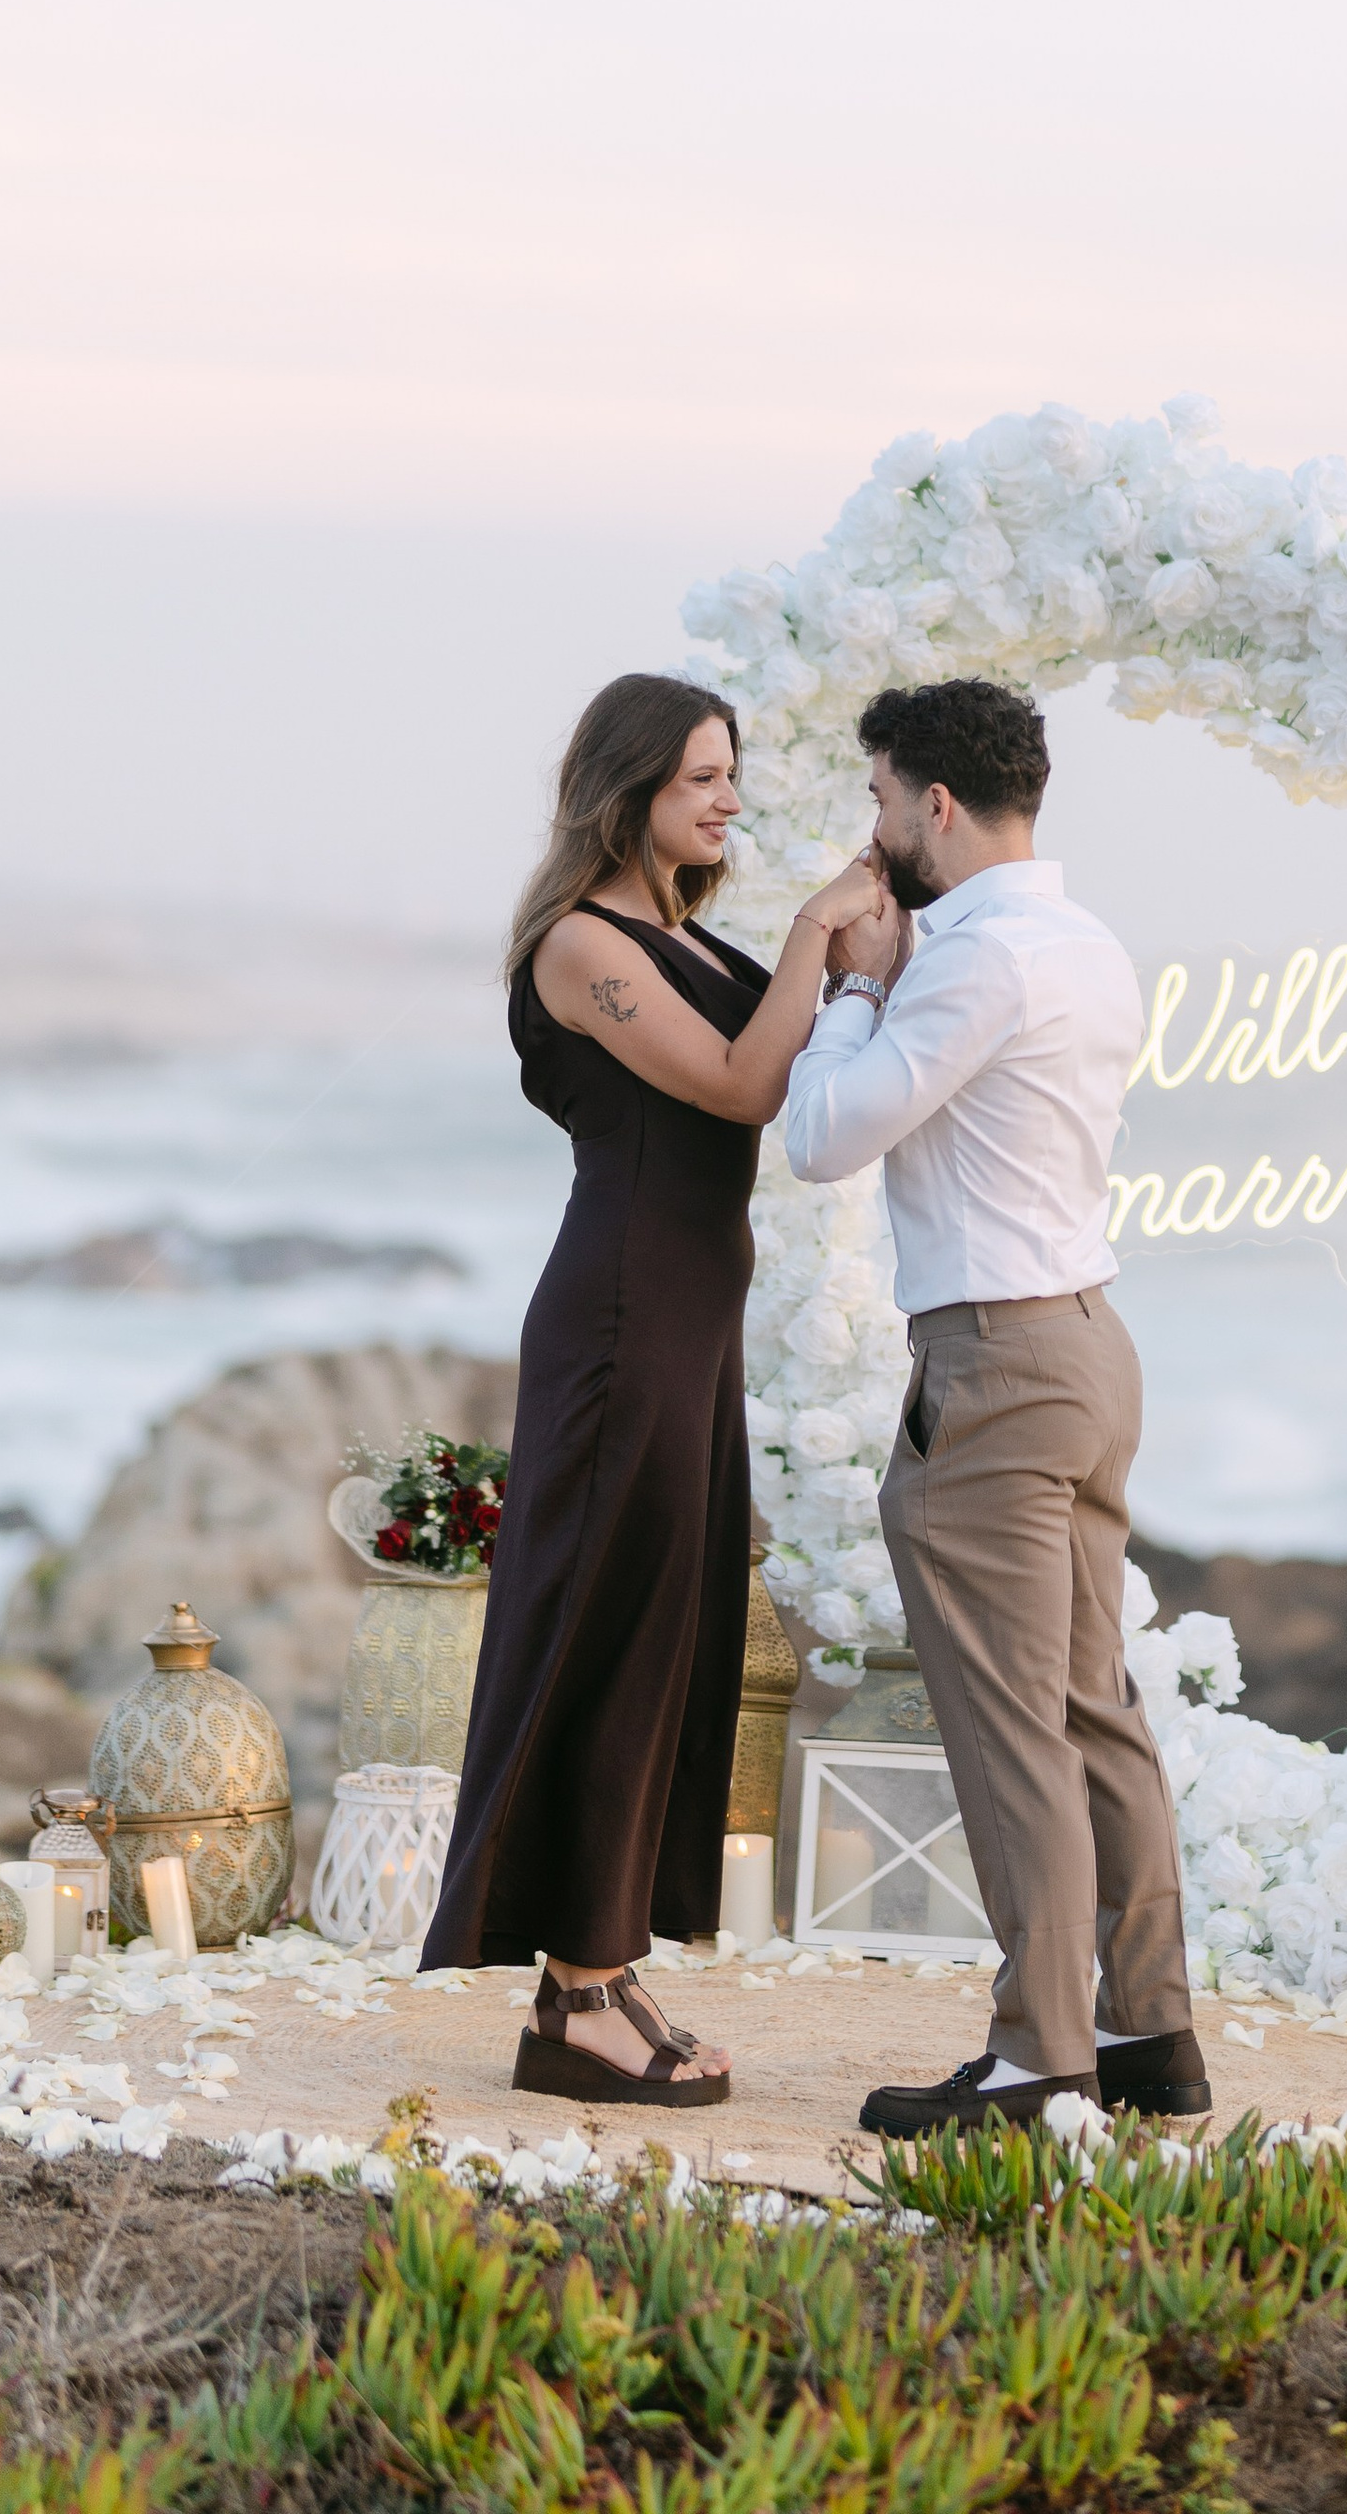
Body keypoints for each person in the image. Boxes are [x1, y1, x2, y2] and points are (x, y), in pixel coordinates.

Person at [421, 671, 888, 2104]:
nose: (729, 798)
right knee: (607, 1629)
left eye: (731, 774)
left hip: (689, 1324)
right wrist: (819, 924)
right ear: (627, 788)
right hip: (624, 1320)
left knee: (664, 1633)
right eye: (702, 777)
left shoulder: (682, 937)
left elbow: (814, 1042)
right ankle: (575, 2002)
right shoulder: (579, 949)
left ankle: (603, 1971)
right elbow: (750, 1085)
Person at [783, 674, 1209, 2135]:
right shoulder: (1083, 944)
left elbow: (825, 1137)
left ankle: (1039, 2061)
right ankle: (1151, 2035)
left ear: (937, 806)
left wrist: (849, 984)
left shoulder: (974, 961)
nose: (878, 826)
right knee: (1096, 1708)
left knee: (1013, 1724)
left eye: (886, 799)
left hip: (998, 1366)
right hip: (1090, 1348)